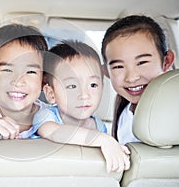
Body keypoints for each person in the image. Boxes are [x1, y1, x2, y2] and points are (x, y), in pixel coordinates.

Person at [32, 40, 130, 173]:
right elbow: (57, 133)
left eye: (93, 85)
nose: (84, 95)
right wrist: (103, 140)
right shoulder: (46, 116)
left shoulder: (98, 126)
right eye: (72, 86)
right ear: (51, 93)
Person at [101, 15, 175, 145]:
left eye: (141, 62)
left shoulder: (177, 114)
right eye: (118, 66)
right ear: (107, 72)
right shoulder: (124, 112)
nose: (131, 78)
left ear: (166, 61)